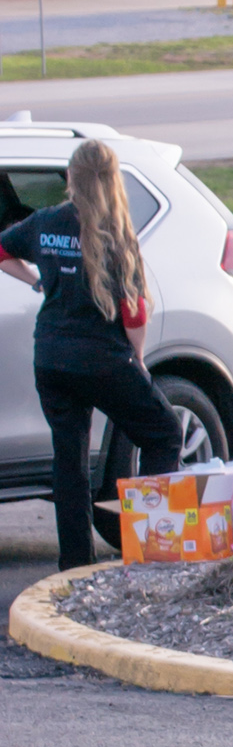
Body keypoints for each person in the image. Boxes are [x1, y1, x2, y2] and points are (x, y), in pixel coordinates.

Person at [0, 137, 184, 571]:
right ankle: (152, 547)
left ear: (71, 179)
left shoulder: (45, 223)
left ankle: (75, 565)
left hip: (51, 359)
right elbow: (134, 312)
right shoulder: (118, 236)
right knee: (164, 434)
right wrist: (138, 358)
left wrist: (35, 280)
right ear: (112, 181)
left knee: (70, 463)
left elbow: (3, 249)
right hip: (102, 359)